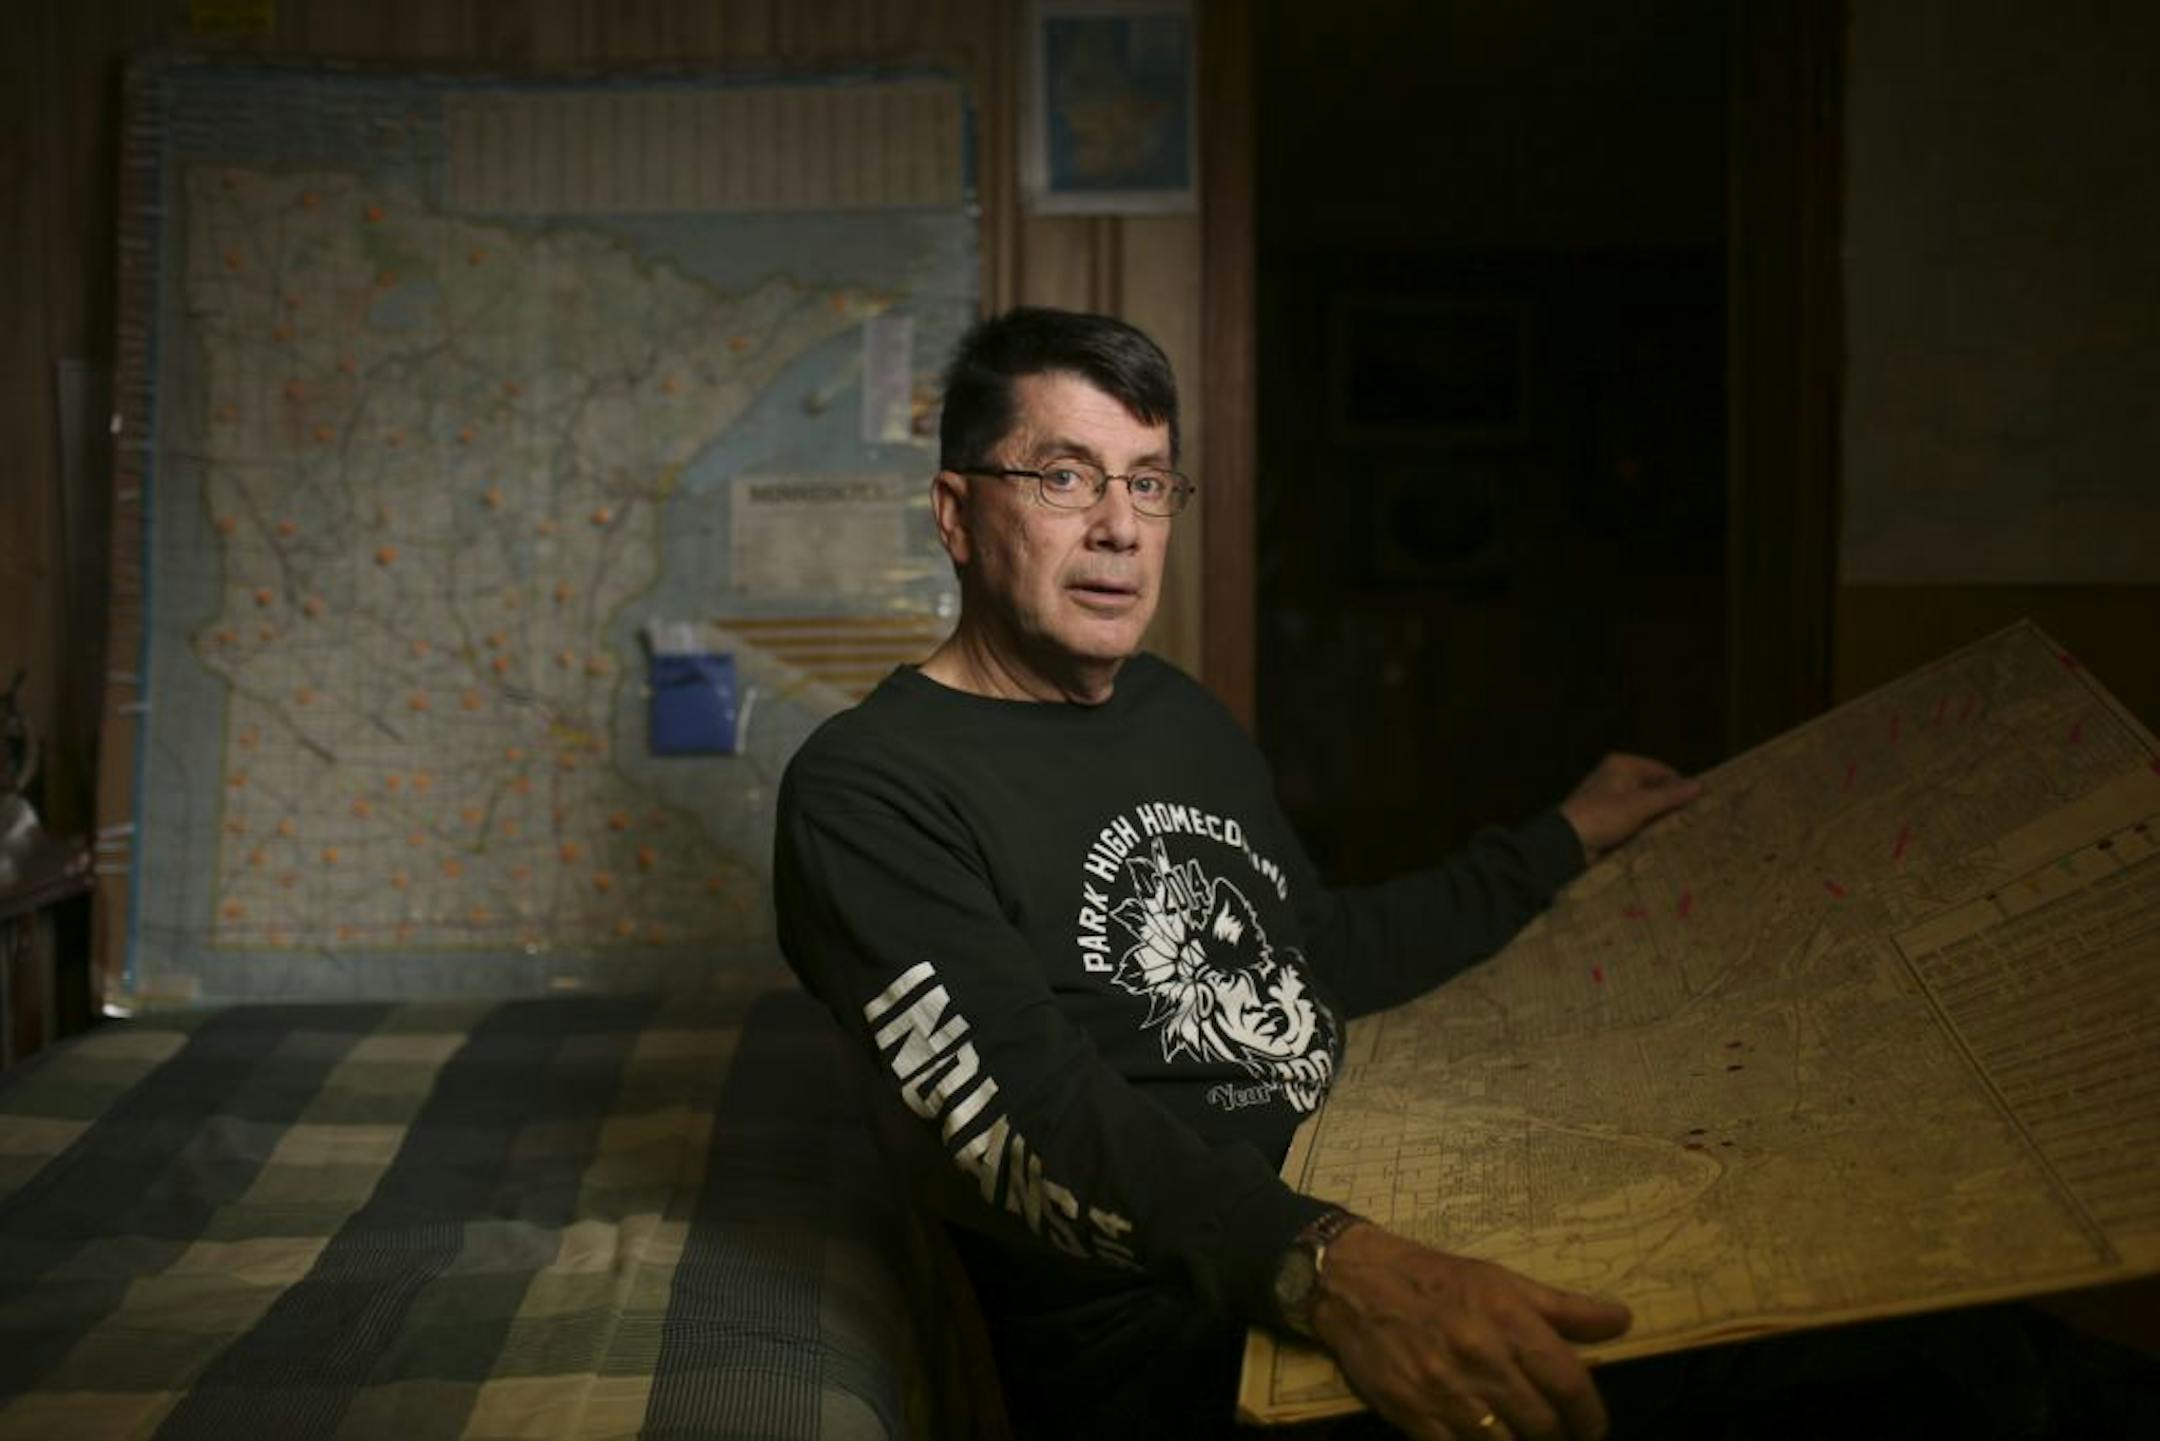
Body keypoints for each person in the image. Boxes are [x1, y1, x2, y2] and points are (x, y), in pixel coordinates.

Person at [773, 306, 1701, 1440]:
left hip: (1351, 1190)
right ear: (959, 515)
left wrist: (1559, 836)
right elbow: (1037, 1122)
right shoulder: (868, 791)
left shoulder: (1181, 715)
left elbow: (1323, 950)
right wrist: (1330, 1267)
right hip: (1181, 1324)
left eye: (1150, 483)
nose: (1120, 528)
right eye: (1066, 478)